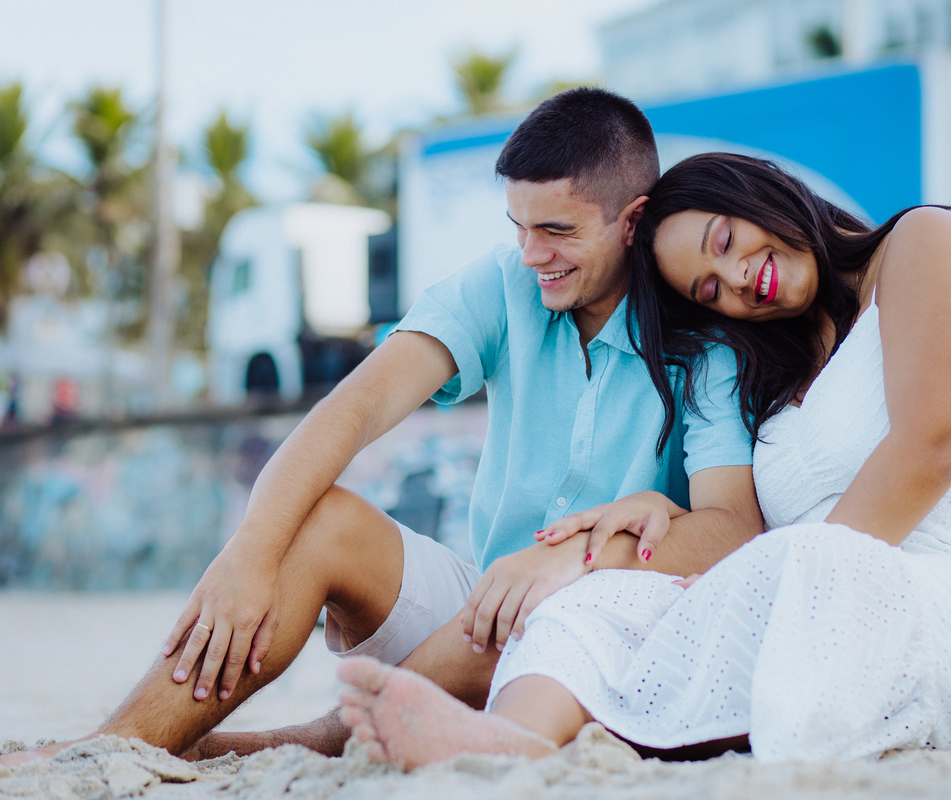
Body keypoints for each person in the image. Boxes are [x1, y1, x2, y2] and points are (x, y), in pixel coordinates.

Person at [1, 98, 763, 767]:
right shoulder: (506, 283)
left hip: (609, 632)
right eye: (520, 227)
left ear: (632, 221)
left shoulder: (702, 345)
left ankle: (320, 737)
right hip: (479, 613)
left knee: (531, 609)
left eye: (557, 231)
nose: (533, 255)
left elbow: (733, 529)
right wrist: (249, 554)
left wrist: (572, 560)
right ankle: (119, 743)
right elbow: (356, 407)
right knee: (320, 520)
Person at [333, 152, 951, 767]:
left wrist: (781, 582)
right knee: (599, 592)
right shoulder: (776, 375)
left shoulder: (925, 244)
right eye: (708, 288)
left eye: (726, 242)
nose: (734, 280)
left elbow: (933, 444)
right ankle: (514, 737)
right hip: (835, 597)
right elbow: (758, 526)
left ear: (763, 193)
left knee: (818, 571)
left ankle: (611, 715)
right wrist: (654, 520)